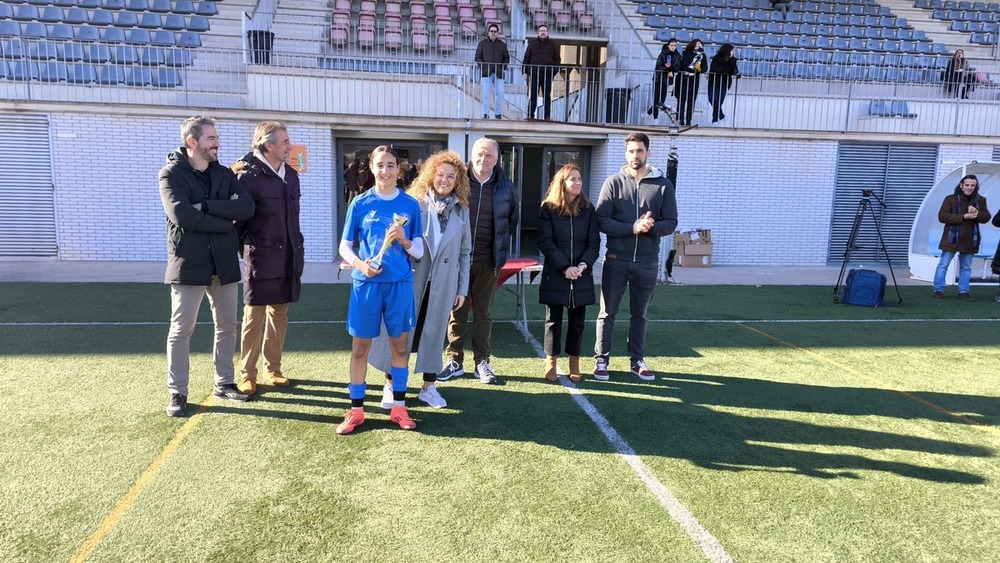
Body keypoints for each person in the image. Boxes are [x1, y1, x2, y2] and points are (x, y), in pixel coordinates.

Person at [158, 116, 256, 417]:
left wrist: (208, 206)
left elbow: (247, 208)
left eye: (217, 137)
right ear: (193, 142)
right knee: (181, 331)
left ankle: (224, 383)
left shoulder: (224, 174)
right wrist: (225, 222)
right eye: (212, 138)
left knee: (227, 327)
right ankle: (178, 392)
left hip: (224, 262)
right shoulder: (170, 174)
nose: (218, 143)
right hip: (189, 264)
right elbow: (182, 216)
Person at [369, 151, 472, 409]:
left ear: (457, 180)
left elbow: (464, 252)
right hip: (410, 280)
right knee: (400, 332)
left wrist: (461, 288)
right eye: (440, 174)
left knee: (434, 333)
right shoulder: (414, 203)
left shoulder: (462, 210)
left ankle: (429, 387)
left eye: (451, 176)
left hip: (443, 283)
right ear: (431, 175)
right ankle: (391, 385)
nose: (445, 180)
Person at [336, 146, 424, 434]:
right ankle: (356, 410)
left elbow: (421, 250)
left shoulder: (410, 205)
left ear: (399, 169)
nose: (385, 171)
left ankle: (399, 408)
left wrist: (405, 240)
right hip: (366, 286)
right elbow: (345, 246)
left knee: (399, 347)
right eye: (380, 165)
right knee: (360, 348)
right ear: (371, 168)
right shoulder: (360, 203)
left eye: (390, 165)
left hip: (399, 285)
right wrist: (361, 265)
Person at [594, 132, 677, 382]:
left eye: (640, 150)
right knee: (607, 312)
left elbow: (671, 222)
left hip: (647, 262)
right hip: (616, 259)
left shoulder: (663, 185)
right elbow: (601, 220)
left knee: (639, 314)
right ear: (625, 153)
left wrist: (651, 227)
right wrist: (632, 227)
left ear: (648, 153)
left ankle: (636, 360)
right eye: (631, 151)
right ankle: (601, 359)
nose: (635, 155)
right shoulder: (613, 183)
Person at [231, 121, 304, 395]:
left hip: (288, 258)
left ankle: (274, 369)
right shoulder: (247, 176)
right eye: (285, 142)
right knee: (254, 316)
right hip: (260, 259)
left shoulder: (292, 176)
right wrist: (251, 250)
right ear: (268, 144)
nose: (289, 146)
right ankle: (248, 373)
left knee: (280, 314)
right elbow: (237, 223)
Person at [438, 138, 519, 384]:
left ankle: (482, 362)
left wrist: (497, 250)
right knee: (457, 312)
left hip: (488, 260)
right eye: (480, 154)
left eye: (490, 156)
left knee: (483, 313)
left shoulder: (507, 187)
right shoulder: (458, 181)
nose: (484, 160)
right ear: (472, 156)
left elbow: (511, 222)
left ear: (497, 158)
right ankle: (454, 361)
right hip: (456, 262)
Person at [537, 164, 600, 383]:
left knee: (577, 323)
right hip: (557, 273)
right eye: (573, 179)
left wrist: (582, 266)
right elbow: (545, 242)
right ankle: (551, 363)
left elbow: (594, 243)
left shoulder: (589, 209)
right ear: (562, 182)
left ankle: (575, 363)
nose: (578, 182)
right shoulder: (549, 208)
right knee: (553, 321)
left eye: (580, 178)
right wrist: (565, 267)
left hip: (581, 275)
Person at [933, 174, 990, 301]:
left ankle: (963, 292)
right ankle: (939, 290)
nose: (969, 188)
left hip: (970, 239)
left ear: (976, 187)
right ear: (961, 185)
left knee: (966, 267)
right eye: (967, 185)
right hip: (952, 238)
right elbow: (942, 217)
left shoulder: (981, 200)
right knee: (943, 265)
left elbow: (986, 217)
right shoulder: (950, 199)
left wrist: (977, 213)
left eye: (972, 185)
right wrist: (963, 217)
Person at [523, 24, 560, 121]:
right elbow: (526, 58)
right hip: (535, 74)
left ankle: (547, 117)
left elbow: (557, 60)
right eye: (541, 31)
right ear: (538, 33)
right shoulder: (532, 44)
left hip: (547, 75)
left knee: (547, 96)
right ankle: (530, 115)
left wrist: (553, 72)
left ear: (547, 33)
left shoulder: (553, 45)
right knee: (533, 95)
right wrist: (526, 72)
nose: (543, 32)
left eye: (544, 31)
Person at [475, 23, 510, 120]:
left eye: (495, 31)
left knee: (500, 94)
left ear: (497, 33)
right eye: (491, 31)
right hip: (486, 73)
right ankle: (485, 114)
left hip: (499, 73)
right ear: (488, 32)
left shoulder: (502, 45)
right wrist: (484, 67)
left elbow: (506, 58)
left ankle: (498, 114)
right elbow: (477, 58)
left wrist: (502, 68)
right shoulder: (482, 44)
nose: (493, 33)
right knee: (485, 94)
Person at [674, 39, 706, 127]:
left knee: (691, 101)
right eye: (697, 44)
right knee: (682, 100)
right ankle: (680, 119)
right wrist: (693, 69)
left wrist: (700, 70)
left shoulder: (703, 56)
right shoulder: (687, 53)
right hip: (684, 79)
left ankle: (688, 120)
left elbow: (705, 68)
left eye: (700, 44)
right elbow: (683, 65)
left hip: (694, 80)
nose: (699, 46)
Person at [648, 38, 681, 121]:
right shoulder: (663, 54)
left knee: (662, 100)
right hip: (658, 78)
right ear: (668, 45)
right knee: (656, 98)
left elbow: (678, 67)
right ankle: (655, 117)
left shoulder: (677, 55)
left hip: (667, 80)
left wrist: (671, 69)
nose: (673, 47)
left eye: (675, 45)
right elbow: (658, 67)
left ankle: (649, 112)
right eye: (672, 45)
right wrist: (669, 70)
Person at [707, 43, 739, 124]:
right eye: (731, 50)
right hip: (713, 82)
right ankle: (721, 116)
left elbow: (733, 71)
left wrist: (731, 61)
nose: (733, 52)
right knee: (713, 100)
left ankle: (714, 120)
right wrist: (725, 70)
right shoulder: (717, 58)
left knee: (719, 101)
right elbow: (714, 69)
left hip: (724, 83)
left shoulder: (733, 59)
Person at [245, 0, 276, 64]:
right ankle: (259, 63)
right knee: (259, 51)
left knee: (262, 52)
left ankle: (262, 64)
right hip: (259, 37)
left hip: (261, 37)